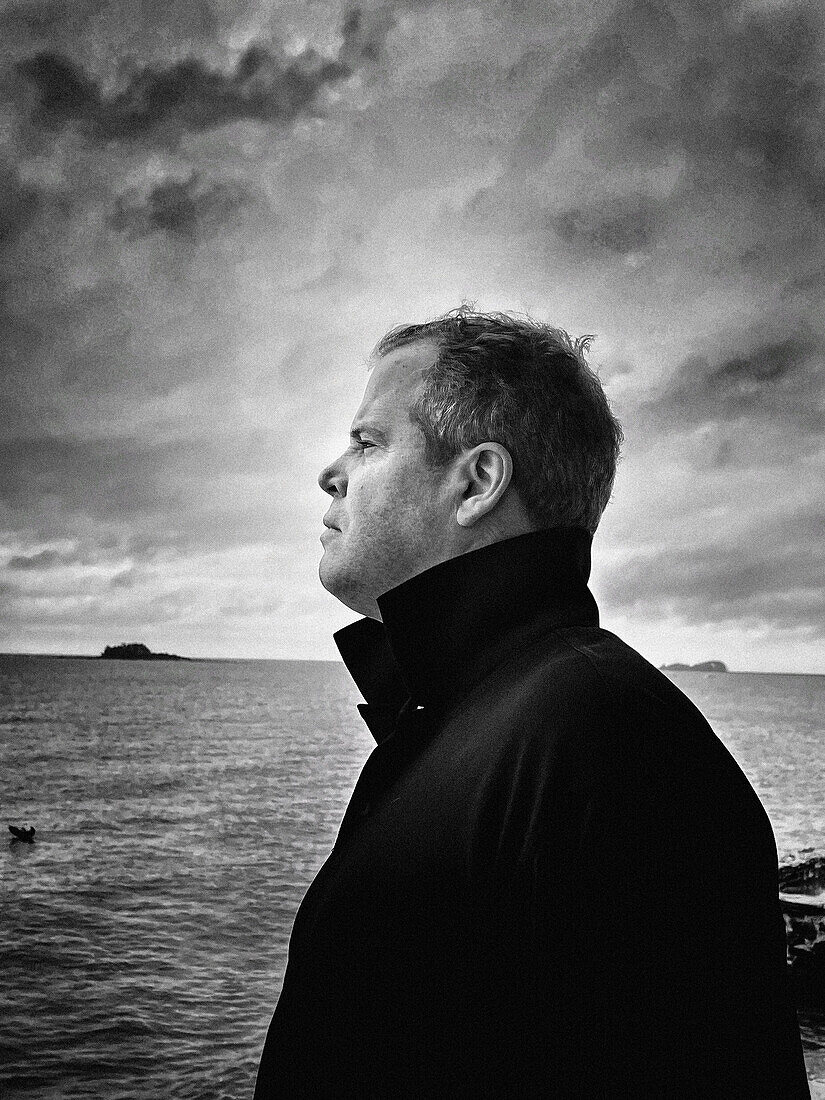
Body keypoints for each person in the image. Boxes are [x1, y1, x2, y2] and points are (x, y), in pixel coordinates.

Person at [254, 308, 809, 1098]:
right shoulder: (472, 714)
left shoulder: (609, 741)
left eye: (368, 441)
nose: (331, 471)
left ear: (476, 481)